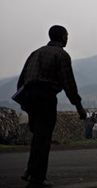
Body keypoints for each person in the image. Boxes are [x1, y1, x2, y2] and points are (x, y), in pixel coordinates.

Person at [15, 25, 86, 187]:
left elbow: (22, 79)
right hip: (46, 97)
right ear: (61, 37)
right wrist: (79, 107)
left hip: (31, 98)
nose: (67, 38)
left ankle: (30, 171)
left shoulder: (35, 53)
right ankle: (38, 178)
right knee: (44, 138)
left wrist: (25, 104)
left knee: (37, 137)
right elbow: (69, 84)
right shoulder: (61, 55)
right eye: (66, 36)